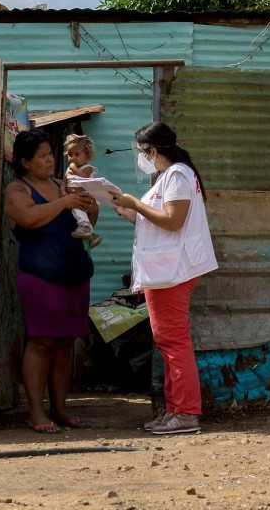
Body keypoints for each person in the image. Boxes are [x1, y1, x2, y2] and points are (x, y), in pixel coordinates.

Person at [110, 122, 219, 435]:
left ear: (153, 150)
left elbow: (173, 221)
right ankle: (174, 410)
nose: (141, 157)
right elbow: (156, 222)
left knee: (173, 343)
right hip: (164, 271)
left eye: (143, 151)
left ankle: (185, 413)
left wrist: (136, 204)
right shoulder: (169, 177)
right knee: (169, 341)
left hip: (171, 272)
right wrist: (127, 209)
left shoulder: (177, 175)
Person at [4, 129, 98, 433]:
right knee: (42, 342)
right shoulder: (17, 190)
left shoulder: (64, 185)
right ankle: (36, 412)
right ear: (25, 162)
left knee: (64, 344)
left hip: (75, 275)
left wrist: (89, 201)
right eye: (42, 155)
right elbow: (29, 218)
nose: (49, 160)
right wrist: (65, 202)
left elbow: (89, 219)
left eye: (50, 154)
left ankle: (59, 409)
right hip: (40, 278)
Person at [64, 133, 103, 249]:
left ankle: (85, 227)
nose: (72, 158)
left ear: (87, 156)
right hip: (74, 196)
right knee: (75, 210)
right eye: (70, 154)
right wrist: (62, 191)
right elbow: (64, 181)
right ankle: (92, 236)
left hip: (84, 196)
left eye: (77, 154)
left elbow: (83, 177)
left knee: (78, 210)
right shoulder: (69, 169)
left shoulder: (87, 168)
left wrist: (73, 168)